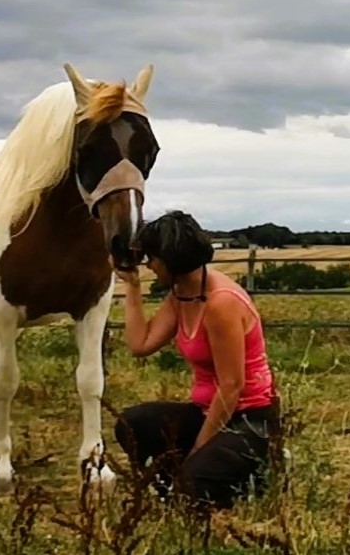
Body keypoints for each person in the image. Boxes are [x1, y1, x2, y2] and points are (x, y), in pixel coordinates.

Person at [113, 210, 277, 510]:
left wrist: (198, 451)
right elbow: (140, 345)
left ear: (170, 259)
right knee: (131, 423)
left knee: (191, 486)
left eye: (152, 257)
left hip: (249, 419)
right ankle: (181, 484)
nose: (149, 264)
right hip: (205, 411)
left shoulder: (220, 303)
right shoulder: (181, 294)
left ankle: (251, 474)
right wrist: (132, 287)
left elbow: (231, 386)